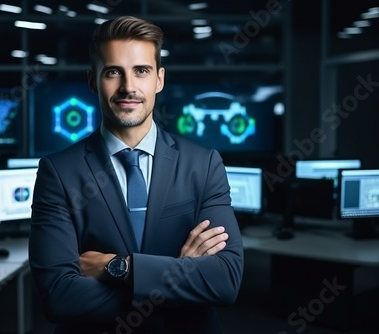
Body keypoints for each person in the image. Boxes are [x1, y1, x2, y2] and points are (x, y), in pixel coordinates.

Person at [29, 15, 244, 334]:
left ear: (159, 79)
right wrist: (182, 278)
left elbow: (224, 281)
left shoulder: (204, 164)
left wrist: (117, 268)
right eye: (113, 72)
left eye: (141, 71)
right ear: (93, 81)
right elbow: (59, 297)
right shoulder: (58, 171)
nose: (128, 87)